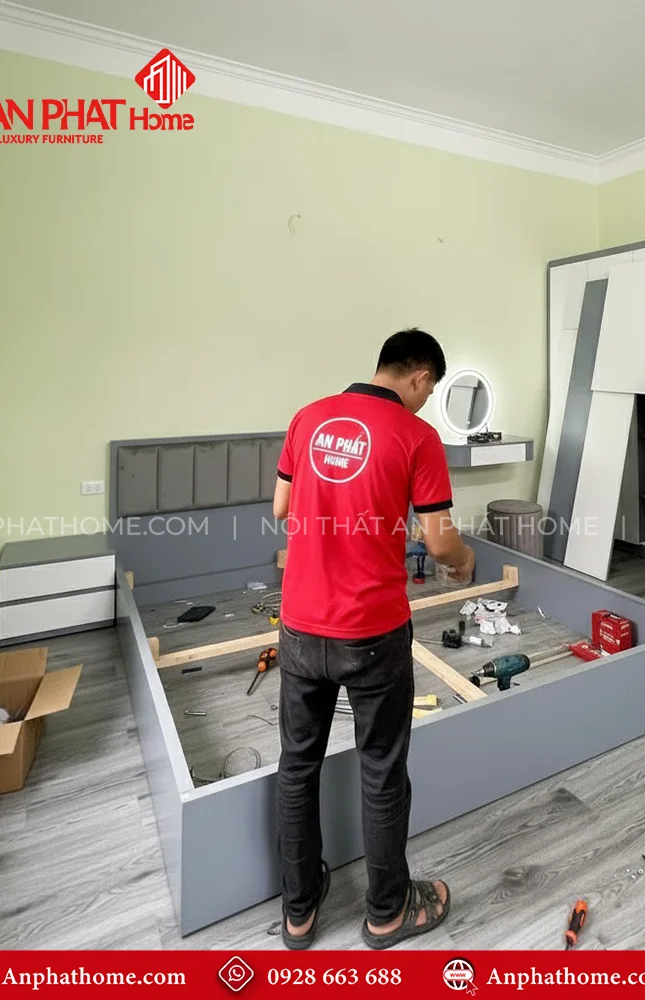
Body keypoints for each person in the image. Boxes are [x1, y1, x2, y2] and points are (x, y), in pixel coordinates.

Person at [271, 328, 475, 950]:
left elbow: (280, 509)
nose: (425, 400)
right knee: (382, 770)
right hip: (372, 632)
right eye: (429, 390)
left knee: (296, 767)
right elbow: (439, 540)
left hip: (300, 625)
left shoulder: (308, 417)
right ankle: (387, 913)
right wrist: (463, 561)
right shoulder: (417, 436)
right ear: (419, 376)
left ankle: (299, 910)